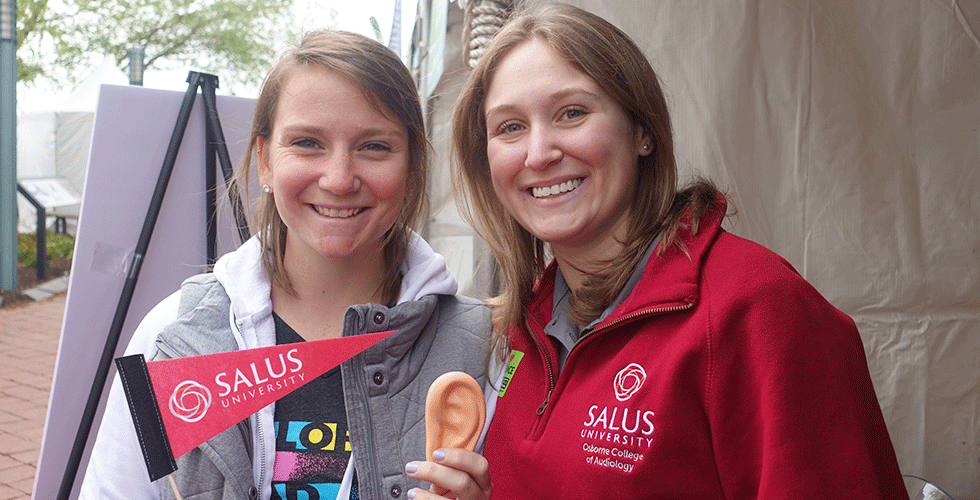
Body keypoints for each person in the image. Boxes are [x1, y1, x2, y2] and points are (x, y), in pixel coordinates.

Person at [442, 3, 909, 499]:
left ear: (642, 131)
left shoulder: (758, 309)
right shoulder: (518, 328)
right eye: (510, 127)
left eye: (571, 113)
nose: (539, 153)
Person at [79, 30, 491, 500]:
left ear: (412, 167)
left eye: (374, 146)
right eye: (308, 142)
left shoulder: (478, 350)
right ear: (264, 161)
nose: (338, 179)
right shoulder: (171, 339)